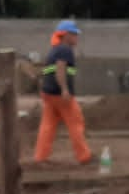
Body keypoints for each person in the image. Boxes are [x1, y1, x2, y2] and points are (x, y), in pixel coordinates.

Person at [33, 20, 92, 166]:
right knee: (76, 123)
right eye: (74, 34)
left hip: (49, 93)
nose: (76, 37)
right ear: (66, 35)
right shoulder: (65, 50)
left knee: (48, 125)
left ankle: (40, 157)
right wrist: (65, 89)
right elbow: (60, 69)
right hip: (60, 95)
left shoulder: (54, 49)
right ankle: (84, 156)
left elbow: (47, 72)